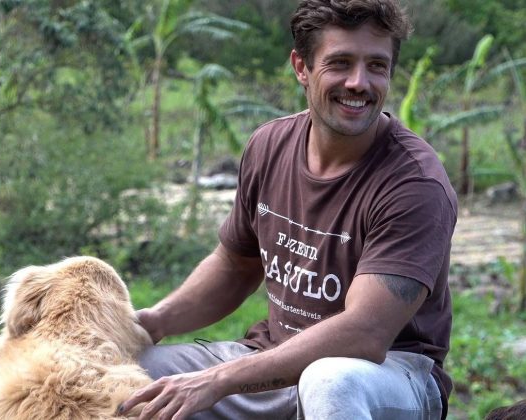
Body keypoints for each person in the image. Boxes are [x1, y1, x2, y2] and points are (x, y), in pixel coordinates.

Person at [119, 0, 457, 419]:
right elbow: (235, 265)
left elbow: (366, 333)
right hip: (275, 359)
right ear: (301, 66)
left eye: (376, 65)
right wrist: (151, 322)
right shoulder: (269, 145)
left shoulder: (413, 184)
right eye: (340, 63)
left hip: (386, 375)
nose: (359, 82)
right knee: (133, 377)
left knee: (329, 382)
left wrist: (220, 379)